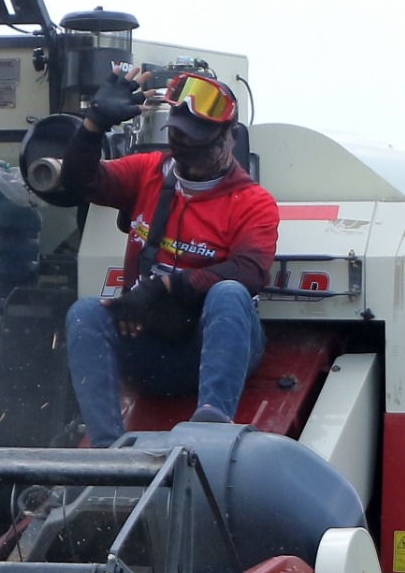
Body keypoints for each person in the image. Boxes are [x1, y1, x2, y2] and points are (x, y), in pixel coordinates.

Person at [53, 69, 278, 446]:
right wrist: (92, 125)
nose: (187, 153)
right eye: (178, 138)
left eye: (200, 143)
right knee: (84, 314)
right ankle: (107, 452)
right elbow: (79, 182)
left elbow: (249, 271)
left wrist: (163, 287)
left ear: (230, 139)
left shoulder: (253, 203)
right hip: (149, 347)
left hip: (210, 347)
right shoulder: (149, 173)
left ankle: (212, 425)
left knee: (230, 293)